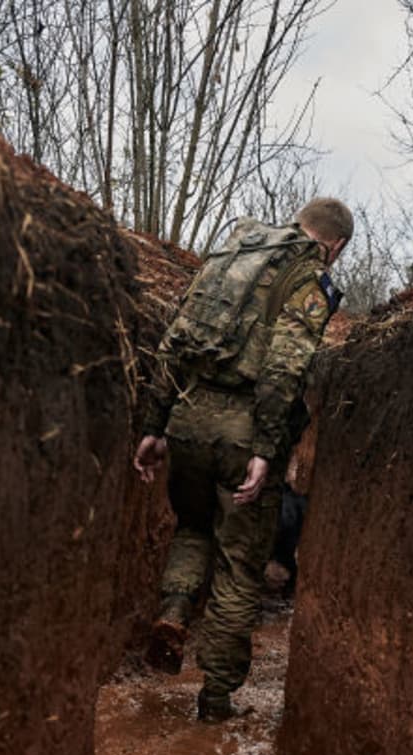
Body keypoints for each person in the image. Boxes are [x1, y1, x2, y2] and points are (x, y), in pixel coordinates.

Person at [131, 197, 352, 721]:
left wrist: (154, 425)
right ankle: (215, 698)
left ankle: (174, 612)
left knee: (191, 527)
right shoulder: (308, 277)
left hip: (186, 421)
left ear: (297, 221)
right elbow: (283, 371)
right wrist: (265, 450)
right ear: (336, 246)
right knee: (239, 565)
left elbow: (172, 342)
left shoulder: (233, 254)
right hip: (242, 430)